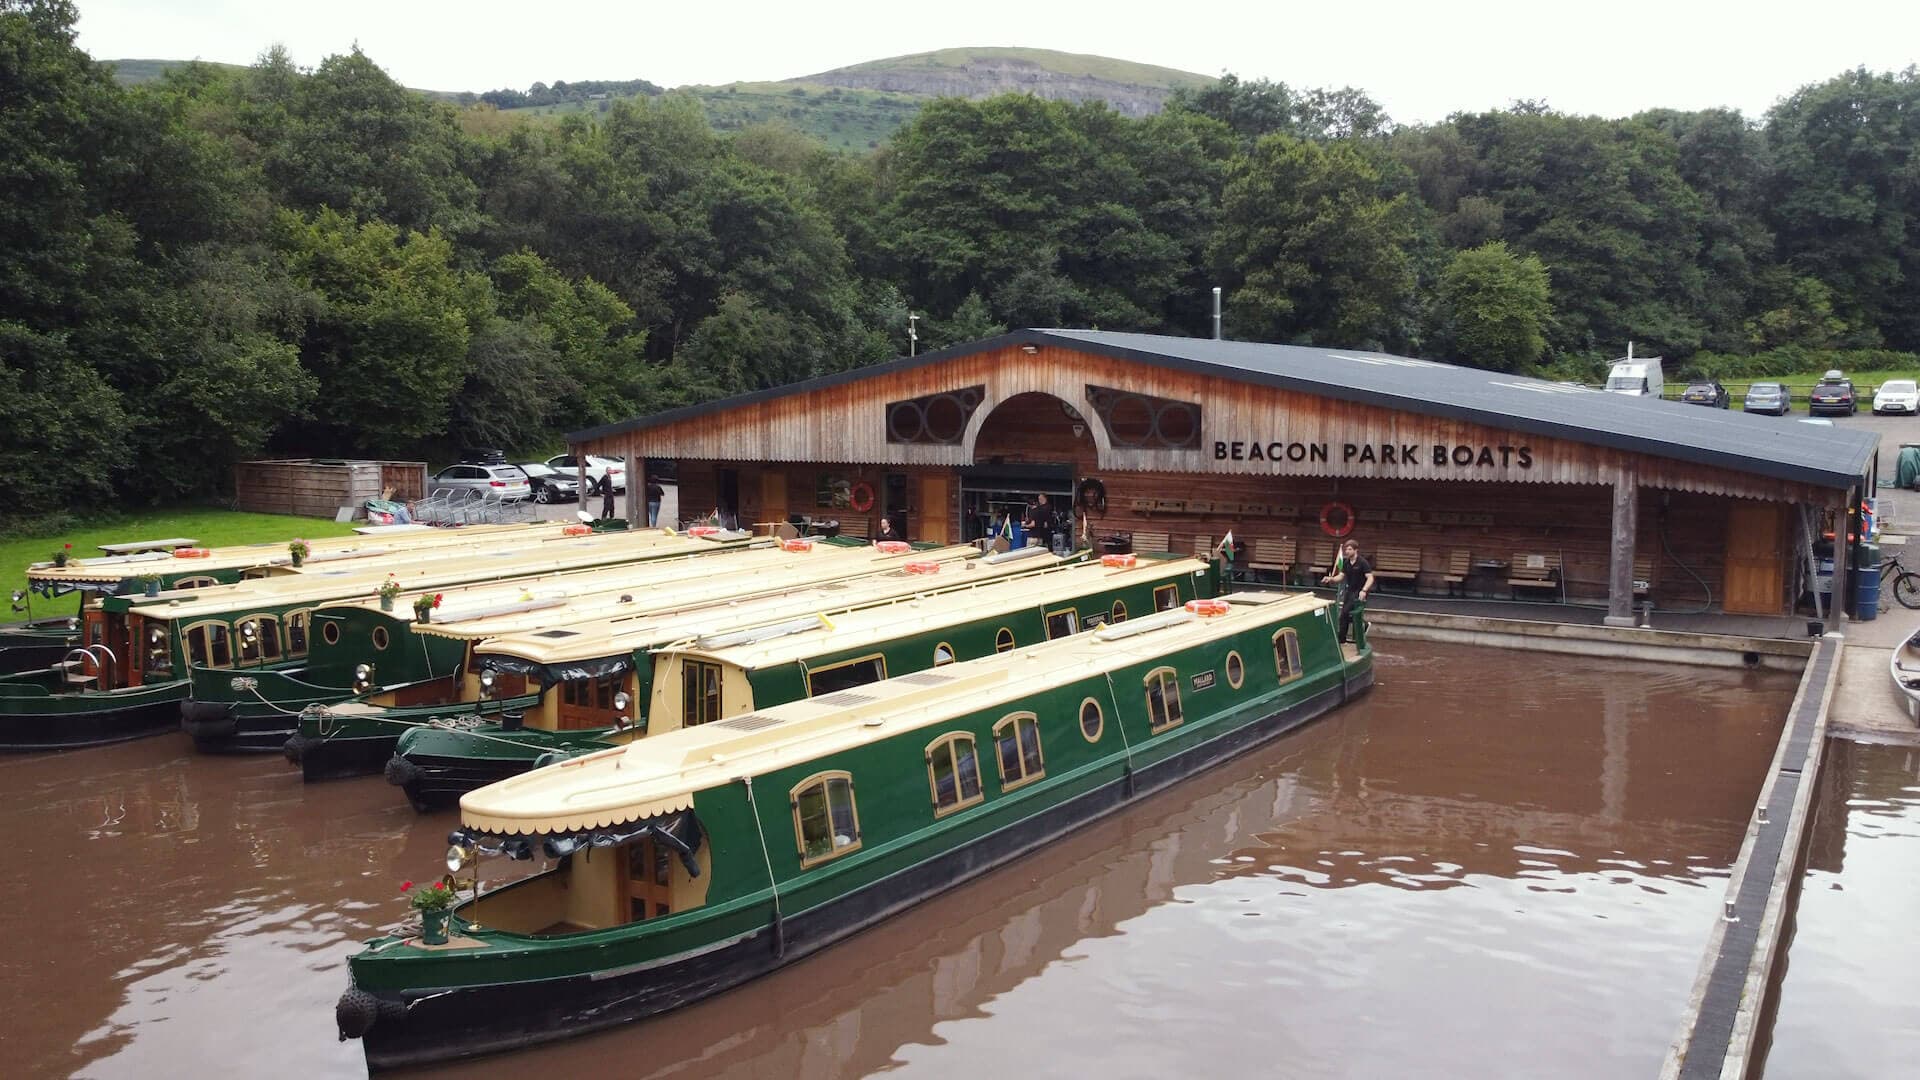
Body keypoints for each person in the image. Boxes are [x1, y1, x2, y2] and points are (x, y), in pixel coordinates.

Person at [1320, 538, 1375, 644]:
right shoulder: (1346, 563)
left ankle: (1354, 632)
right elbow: (1341, 576)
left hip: (1360, 591)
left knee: (1347, 612)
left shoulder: (1362, 562)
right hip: (1350, 590)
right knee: (1344, 615)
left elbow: (1370, 577)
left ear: (1355, 550)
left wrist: (1364, 590)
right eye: (1346, 550)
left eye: (1349, 549)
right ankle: (1343, 639)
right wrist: (1331, 579)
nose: (1347, 552)